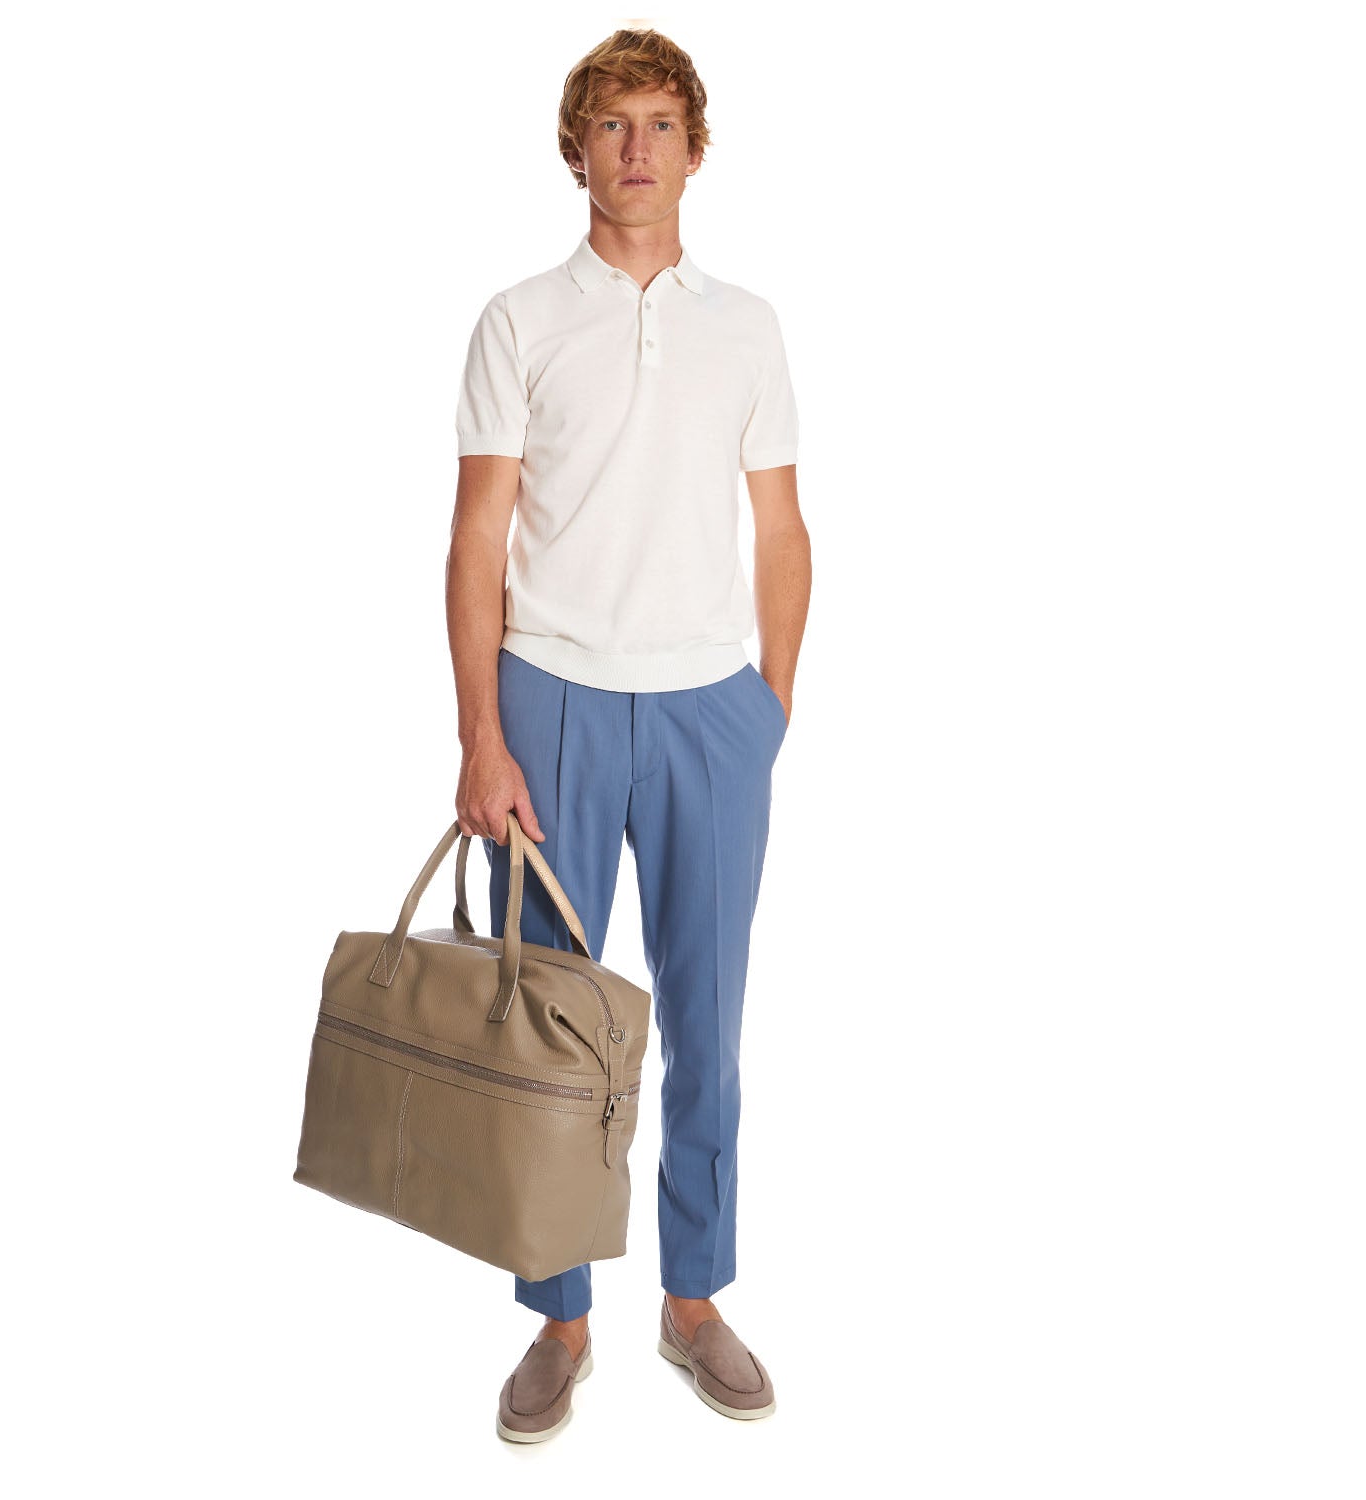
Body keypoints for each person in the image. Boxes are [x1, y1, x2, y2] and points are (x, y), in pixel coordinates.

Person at [446, 28, 811, 1442]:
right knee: (549, 1030)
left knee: (707, 1023)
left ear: (695, 150)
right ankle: (560, 1318)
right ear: (577, 151)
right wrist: (482, 736)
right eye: (611, 125)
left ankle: (693, 1300)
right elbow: (477, 538)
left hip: (711, 708)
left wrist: (767, 709)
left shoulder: (749, 327)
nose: (637, 149)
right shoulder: (519, 320)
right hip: (551, 698)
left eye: (660, 124)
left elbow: (783, 530)